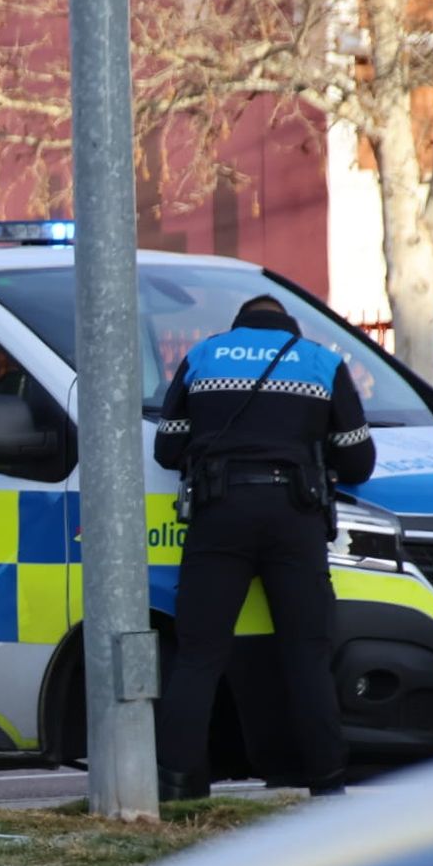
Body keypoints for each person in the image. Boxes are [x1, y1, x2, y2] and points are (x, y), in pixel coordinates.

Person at [152, 295, 375, 801]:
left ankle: (178, 784)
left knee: (199, 656)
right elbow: (358, 460)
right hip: (294, 517)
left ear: (240, 326)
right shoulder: (321, 361)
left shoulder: (204, 357)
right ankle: (326, 783)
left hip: (218, 511)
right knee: (306, 655)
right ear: (287, 325)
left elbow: (167, 448)